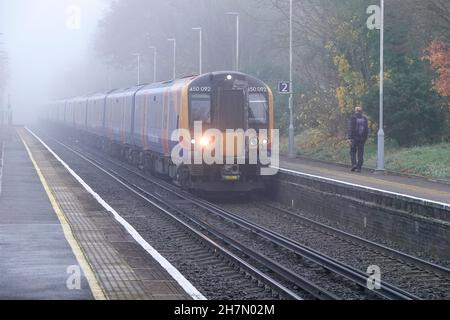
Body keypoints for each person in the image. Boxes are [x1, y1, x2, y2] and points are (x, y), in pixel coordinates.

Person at [347, 107, 369, 173]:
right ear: (361, 111)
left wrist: (349, 138)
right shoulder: (364, 118)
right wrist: (365, 138)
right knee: (360, 153)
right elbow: (366, 129)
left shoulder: (353, 118)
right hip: (362, 139)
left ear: (355, 111)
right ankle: (359, 168)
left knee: (352, 152)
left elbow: (350, 128)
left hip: (354, 138)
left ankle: (354, 164)